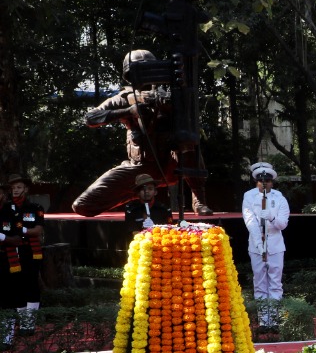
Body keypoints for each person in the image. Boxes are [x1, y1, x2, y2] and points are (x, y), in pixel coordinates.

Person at [73, 50, 214, 217]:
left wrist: (171, 108)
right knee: (83, 206)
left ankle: (199, 200)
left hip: (170, 166)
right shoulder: (124, 98)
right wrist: (128, 111)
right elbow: (90, 118)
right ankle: (138, 193)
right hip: (140, 169)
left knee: (188, 143)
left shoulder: (170, 95)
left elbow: (191, 125)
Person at [241, 162, 291, 329]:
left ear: (272, 182)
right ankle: (264, 320)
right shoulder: (249, 196)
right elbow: (250, 221)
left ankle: (274, 319)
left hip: (275, 245)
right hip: (256, 246)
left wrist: (270, 217)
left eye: (268, 181)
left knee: (275, 282)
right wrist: (259, 244)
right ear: (256, 182)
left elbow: (283, 224)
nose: (264, 184)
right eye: (261, 181)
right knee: (260, 282)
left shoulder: (279, 198)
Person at [6, 175, 44, 336]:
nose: (16, 190)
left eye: (19, 187)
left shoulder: (35, 207)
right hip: (10, 253)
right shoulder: (6, 208)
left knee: (31, 286)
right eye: (14, 188)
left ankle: (29, 324)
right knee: (16, 287)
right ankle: (22, 323)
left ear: (26, 189)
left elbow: (38, 230)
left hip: (29, 252)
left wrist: (21, 231)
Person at [0, 183, 20, 350]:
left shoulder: (11, 213)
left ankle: (7, 338)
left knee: (7, 300)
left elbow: (17, 240)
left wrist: (1, 237)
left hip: (6, 261)